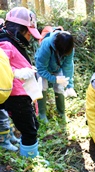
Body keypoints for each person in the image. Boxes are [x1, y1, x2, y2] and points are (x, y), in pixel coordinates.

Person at [0, 7, 43, 158]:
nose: (30, 38)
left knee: (32, 125)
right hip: (15, 96)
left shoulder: (13, 41)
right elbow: (1, 68)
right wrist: (16, 73)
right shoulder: (5, 43)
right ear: (20, 30)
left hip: (23, 93)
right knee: (29, 130)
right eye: (29, 34)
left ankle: (28, 152)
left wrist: (26, 67)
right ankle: (30, 159)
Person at [35, 28, 76, 124]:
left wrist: (69, 85)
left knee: (60, 87)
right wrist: (54, 79)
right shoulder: (47, 45)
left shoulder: (69, 47)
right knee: (42, 87)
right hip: (43, 68)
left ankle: (61, 113)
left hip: (57, 67)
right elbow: (41, 68)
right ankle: (42, 114)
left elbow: (68, 66)